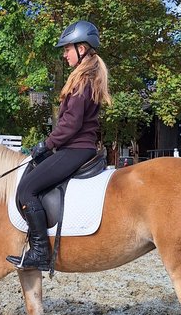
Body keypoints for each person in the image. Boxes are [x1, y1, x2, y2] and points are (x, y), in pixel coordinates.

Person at [7, 20, 112, 269]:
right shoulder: (86, 77)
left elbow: (71, 125)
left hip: (75, 148)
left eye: (67, 49)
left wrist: (47, 144)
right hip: (75, 147)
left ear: (82, 49)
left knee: (27, 190)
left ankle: (40, 252)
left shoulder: (82, 81)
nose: (64, 54)